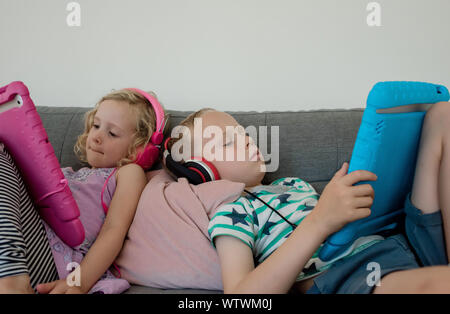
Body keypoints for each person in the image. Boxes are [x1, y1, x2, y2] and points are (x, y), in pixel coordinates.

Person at [163, 106, 450, 294]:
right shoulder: (232, 212)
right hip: (352, 276)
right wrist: (319, 221)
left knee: (442, 115)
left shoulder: (293, 185)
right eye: (227, 141)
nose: (248, 140)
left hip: (401, 241)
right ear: (202, 170)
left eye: (242, 133)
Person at [0, 88, 164, 294]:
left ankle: (12, 281)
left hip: (50, 263)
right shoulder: (64, 173)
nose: (96, 136)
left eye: (112, 133)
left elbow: (114, 230)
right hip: (21, 242)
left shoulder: (128, 173)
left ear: (140, 149)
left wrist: (77, 281)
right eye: (96, 125)